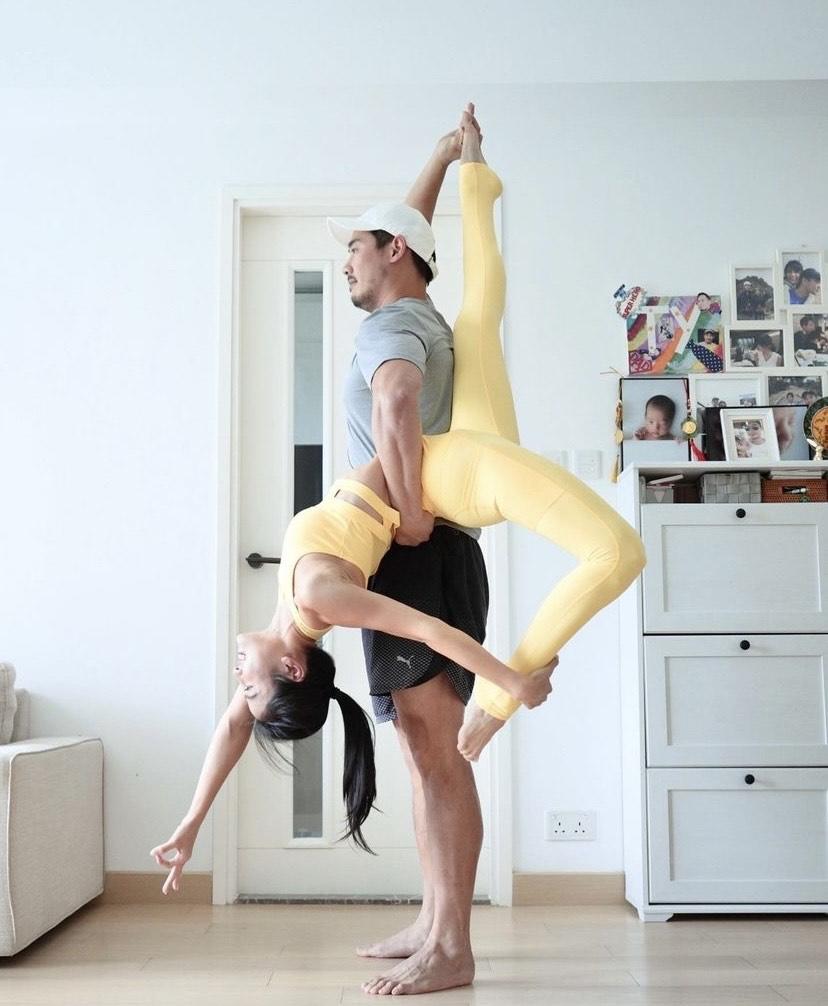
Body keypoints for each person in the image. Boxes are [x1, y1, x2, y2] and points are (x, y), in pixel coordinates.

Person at [152, 110, 646, 995]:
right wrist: (446, 158)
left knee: (435, 751)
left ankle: (450, 945)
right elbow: (400, 238)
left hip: (420, 550)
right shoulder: (409, 307)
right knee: (423, 753)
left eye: (353, 250)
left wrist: (413, 514)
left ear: (391, 255)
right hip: (416, 549)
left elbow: (395, 403)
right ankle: (433, 920)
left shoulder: (389, 329)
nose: (345, 262)